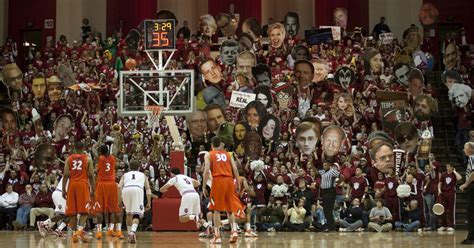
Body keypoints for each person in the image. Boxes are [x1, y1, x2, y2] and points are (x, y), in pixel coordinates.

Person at [202, 136, 241, 244]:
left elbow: (206, 172)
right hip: (229, 180)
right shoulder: (228, 154)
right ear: (220, 144)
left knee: (216, 210)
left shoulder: (209, 154)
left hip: (218, 180)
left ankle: (217, 236)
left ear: (211, 145)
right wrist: (237, 183)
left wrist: (204, 186)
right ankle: (234, 231)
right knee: (230, 208)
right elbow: (236, 170)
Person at [62, 141, 95, 243]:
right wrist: (93, 188)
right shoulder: (88, 159)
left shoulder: (69, 158)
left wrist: (64, 189)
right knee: (84, 212)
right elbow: (91, 175)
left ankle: (74, 234)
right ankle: (79, 231)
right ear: (83, 148)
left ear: (74, 148)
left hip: (72, 185)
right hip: (82, 184)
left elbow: (66, 174)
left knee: (72, 212)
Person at [118, 160, 152, 244]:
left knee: (128, 213)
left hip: (126, 189)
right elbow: (148, 189)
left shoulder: (125, 175)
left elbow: (119, 187)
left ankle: (130, 234)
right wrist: (148, 202)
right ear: (139, 167)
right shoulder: (143, 175)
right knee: (136, 214)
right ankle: (133, 232)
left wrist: (119, 200)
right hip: (137, 189)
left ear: (129, 167)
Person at [94, 145, 121, 239]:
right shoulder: (113, 158)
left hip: (102, 184)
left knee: (99, 209)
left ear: (101, 152)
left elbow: (94, 151)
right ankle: (111, 229)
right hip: (112, 184)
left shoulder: (101, 158)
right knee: (112, 209)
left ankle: (99, 232)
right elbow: (116, 150)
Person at [437, 164, 462, 231]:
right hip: (444, 193)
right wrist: (439, 190)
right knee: (443, 210)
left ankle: (451, 225)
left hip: (451, 193)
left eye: (449, 166)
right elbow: (440, 183)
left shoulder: (454, 174)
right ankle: (444, 225)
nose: (447, 168)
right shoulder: (443, 174)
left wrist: (455, 172)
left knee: (451, 210)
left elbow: (460, 178)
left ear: (452, 167)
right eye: (446, 166)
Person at [460, 142, 474, 244]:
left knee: (471, 212)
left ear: (470, 149)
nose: (463, 150)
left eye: (465, 148)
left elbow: (473, 173)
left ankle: (471, 237)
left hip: (473, 186)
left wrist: (465, 184)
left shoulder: (472, 158)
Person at [319, 162, 340, 231]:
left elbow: (342, 177)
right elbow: (316, 171)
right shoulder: (323, 171)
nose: (324, 166)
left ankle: (331, 226)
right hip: (324, 192)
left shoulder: (332, 171)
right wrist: (312, 164)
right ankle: (330, 225)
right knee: (325, 210)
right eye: (323, 165)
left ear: (329, 165)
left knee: (328, 210)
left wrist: (336, 184)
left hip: (330, 191)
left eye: (325, 165)